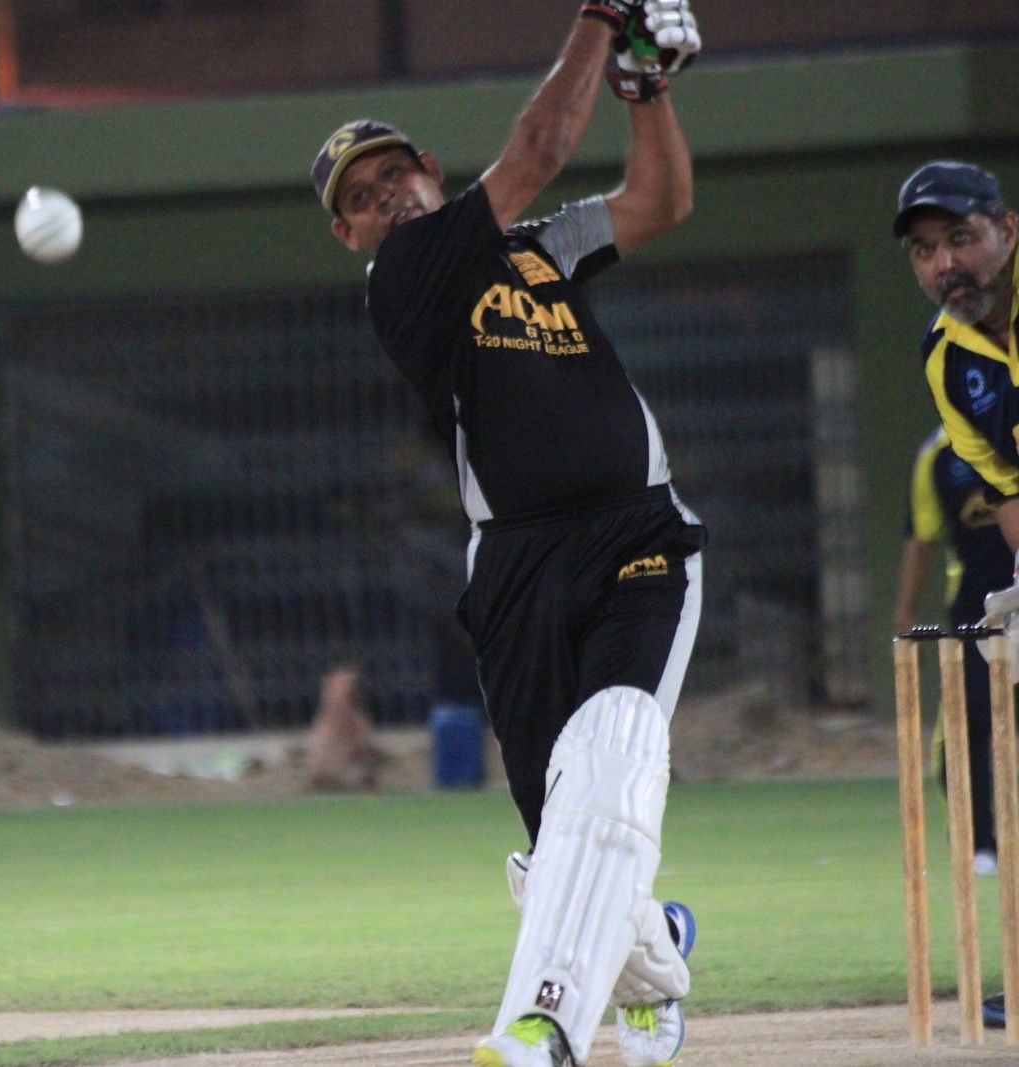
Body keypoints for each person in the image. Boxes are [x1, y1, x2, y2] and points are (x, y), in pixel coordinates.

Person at [310, 2, 702, 1065]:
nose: (384, 197)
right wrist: (603, 18)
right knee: (560, 831)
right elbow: (538, 148)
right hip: (519, 563)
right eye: (360, 199)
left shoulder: (537, 251)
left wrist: (646, 90)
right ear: (349, 234)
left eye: (393, 174)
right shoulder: (405, 278)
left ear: (428, 170)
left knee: (611, 754)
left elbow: (660, 200)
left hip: (636, 533)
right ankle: (657, 954)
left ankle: (542, 1024)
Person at [896, 161, 1019, 1033]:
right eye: (925, 250)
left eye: (961, 239)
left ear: (1008, 229)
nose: (945, 264)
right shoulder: (948, 358)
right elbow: (1008, 487)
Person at [891, 427, 1011, 877]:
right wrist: (904, 611)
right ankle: (979, 843)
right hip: (975, 612)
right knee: (965, 726)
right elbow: (921, 537)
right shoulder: (939, 454)